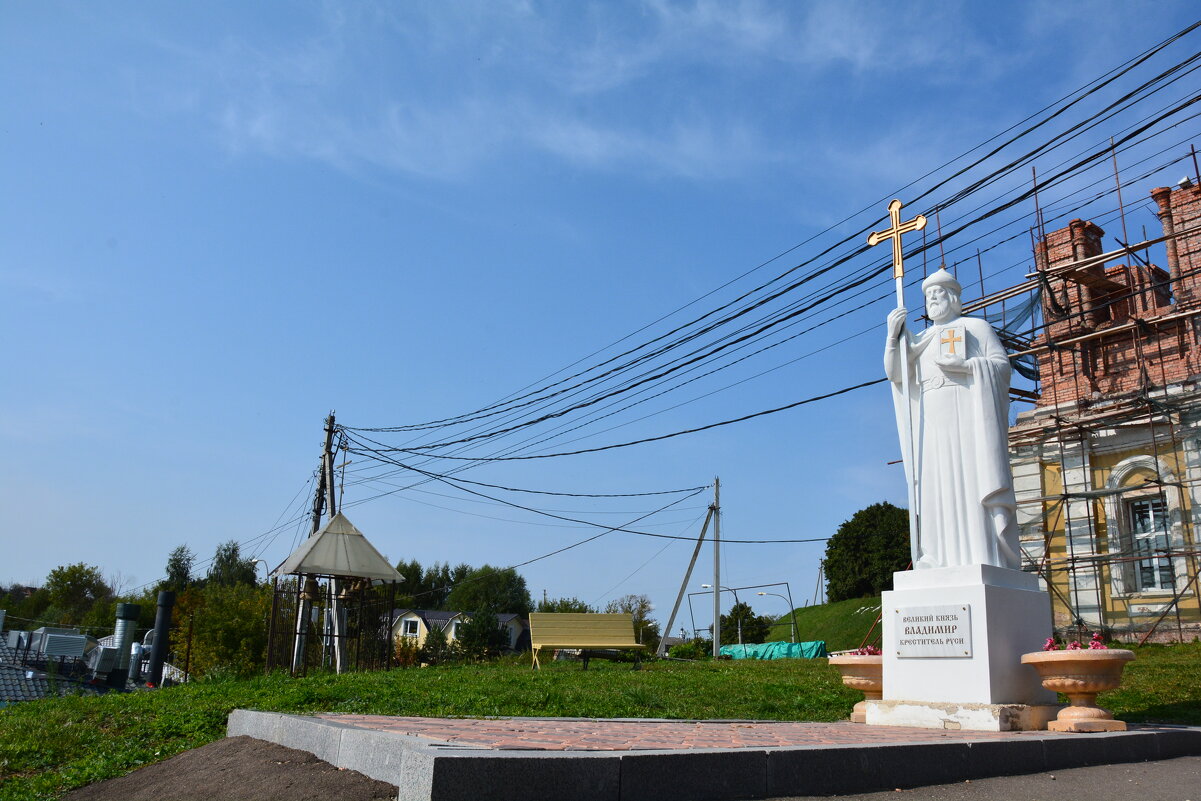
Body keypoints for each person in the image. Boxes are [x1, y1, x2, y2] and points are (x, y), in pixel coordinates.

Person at [884, 267, 1020, 570]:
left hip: (967, 416)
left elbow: (1001, 368)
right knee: (935, 485)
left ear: (954, 298)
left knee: (969, 479)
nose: (933, 300)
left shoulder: (976, 327)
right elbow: (897, 374)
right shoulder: (921, 338)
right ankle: (935, 555)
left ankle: (981, 554)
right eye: (928, 296)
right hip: (931, 420)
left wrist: (968, 366)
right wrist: (894, 337)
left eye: (939, 294)